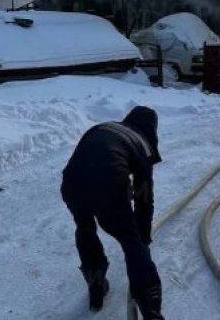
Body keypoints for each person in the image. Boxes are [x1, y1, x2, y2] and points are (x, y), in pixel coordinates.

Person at [61, 106, 164, 319]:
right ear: (151, 130)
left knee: (85, 226)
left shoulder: (106, 127)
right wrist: (142, 237)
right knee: (131, 240)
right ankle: (150, 308)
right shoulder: (142, 143)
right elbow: (144, 199)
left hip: (71, 182)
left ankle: (95, 281)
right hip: (109, 184)